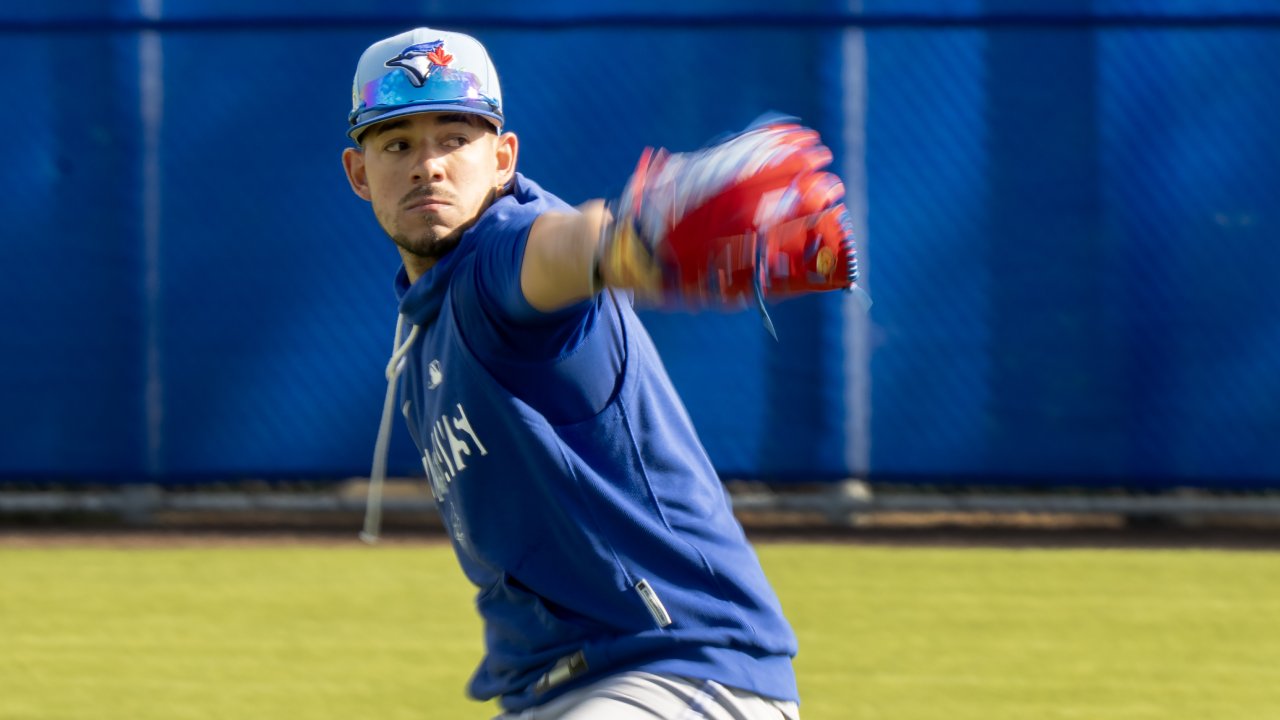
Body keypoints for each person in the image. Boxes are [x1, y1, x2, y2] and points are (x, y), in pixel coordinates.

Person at [340, 27, 856, 720]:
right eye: (398, 143)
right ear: (359, 172)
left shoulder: (498, 261)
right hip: (559, 691)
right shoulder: (422, 327)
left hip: (681, 672)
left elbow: (561, 248)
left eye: (455, 138)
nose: (428, 165)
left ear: (502, 158)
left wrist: (628, 242)